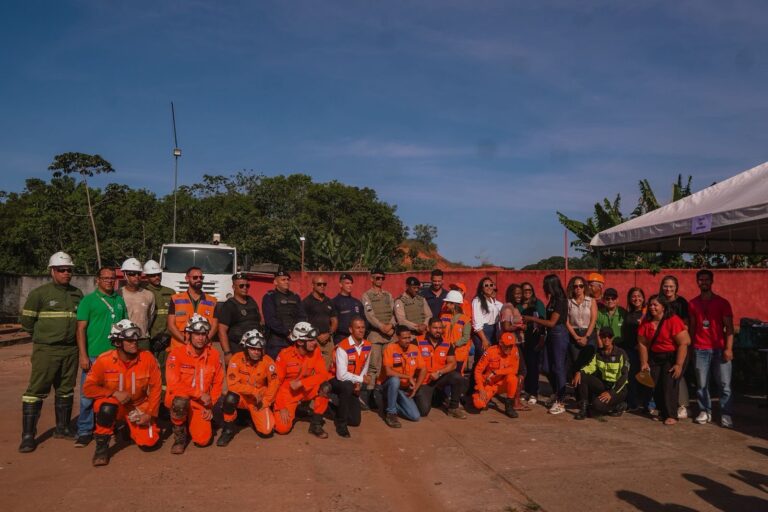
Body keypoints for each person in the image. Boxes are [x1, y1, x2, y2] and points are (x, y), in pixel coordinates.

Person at [18, 251, 83, 453]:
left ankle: (62, 428)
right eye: (62, 270)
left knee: (66, 389)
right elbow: (27, 322)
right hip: (47, 349)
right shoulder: (40, 294)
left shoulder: (76, 294)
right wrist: (44, 337)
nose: (66, 273)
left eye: (69, 270)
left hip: (70, 349)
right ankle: (28, 436)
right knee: (36, 391)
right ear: (52, 271)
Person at [83, 320, 161, 466]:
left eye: (136, 339)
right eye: (130, 340)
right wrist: (113, 393)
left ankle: (128, 428)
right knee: (106, 408)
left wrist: (149, 413)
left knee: (150, 443)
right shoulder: (104, 360)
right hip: (115, 405)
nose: (135, 343)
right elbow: (87, 388)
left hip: (138, 405)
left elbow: (156, 388)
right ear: (118, 343)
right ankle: (101, 449)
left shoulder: (147, 357)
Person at [75, 266, 128, 447]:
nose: (109, 281)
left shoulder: (119, 301)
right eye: (105, 278)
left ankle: (107, 427)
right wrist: (83, 355)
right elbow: (80, 329)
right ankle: (84, 430)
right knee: (87, 395)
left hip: (115, 357)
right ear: (98, 280)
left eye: (112, 278)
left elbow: (124, 327)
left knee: (113, 395)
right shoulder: (88, 301)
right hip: (94, 356)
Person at [165, 314, 224, 453]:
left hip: (201, 403)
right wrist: (199, 394)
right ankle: (179, 436)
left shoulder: (214, 355)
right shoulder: (176, 354)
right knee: (180, 403)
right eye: (196, 334)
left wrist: (210, 406)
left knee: (203, 440)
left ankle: (191, 422)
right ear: (188, 335)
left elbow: (218, 383)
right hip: (179, 398)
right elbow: (173, 384)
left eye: (203, 334)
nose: (200, 338)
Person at [688, 269, 735, 428]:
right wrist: (691, 347)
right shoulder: (693, 303)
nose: (704, 282)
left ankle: (726, 414)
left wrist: (728, 349)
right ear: (697, 282)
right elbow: (693, 327)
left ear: (712, 281)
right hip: (700, 349)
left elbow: (729, 328)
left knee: (724, 385)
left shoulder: (722, 302)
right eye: (701, 280)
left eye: (706, 279)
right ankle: (704, 411)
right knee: (702, 384)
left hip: (719, 349)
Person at [217, 329, 278, 446]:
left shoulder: (268, 361)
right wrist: (253, 391)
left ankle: (249, 418)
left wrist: (266, 401)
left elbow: (274, 384)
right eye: (252, 348)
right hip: (242, 398)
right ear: (245, 347)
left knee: (267, 431)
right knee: (229, 398)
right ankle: (228, 429)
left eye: (259, 349)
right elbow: (233, 384)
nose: (256, 352)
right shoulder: (236, 359)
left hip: (258, 400)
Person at [637, 294, 691, 425]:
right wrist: (644, 362)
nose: (652, 307)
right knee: (654, 383)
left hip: (673, 355)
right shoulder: (646, 321)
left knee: (669, 384)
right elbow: (642, 343)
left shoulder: (673, 320)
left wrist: (678, 364)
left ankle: (671, 414)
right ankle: (662, 412)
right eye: (650, 305)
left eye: (655, 305)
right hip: (656, 356)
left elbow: (684, 342)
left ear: (663, 307)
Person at [273, 322, 332, 438]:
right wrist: (281, 406)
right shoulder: (284, 355)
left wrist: (302, 383)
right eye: (310, 340)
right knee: (282, 429)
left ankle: (316, 424)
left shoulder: (315, 351)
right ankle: (293, 410)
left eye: (314, 339)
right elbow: (275, 383)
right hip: (287, 394)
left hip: (305, 390)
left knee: (325, 387)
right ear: (299, 342)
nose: (314, 342)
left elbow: (323, 374)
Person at [522, 274, 569, 415]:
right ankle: (556, 392)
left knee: (559, 367)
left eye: (545, 284)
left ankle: (561, 401)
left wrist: (531, 318)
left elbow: (552, 322)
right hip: (552, 334)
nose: (543, 287)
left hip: (559, 334)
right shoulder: (553, 299)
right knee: (547, 367)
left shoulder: (560, 300)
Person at [413, 318, 467, 419]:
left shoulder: (447, 343)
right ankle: (434, 396)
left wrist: (439, 372)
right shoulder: (417, 341)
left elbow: (453, 364)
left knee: (457, 377)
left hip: (439, 377)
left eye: (440, 328)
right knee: (423, 411)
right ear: (428, 328)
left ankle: (453, 408)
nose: (438, 330)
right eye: (435, 328)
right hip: (424, 380)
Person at [573, 327, 629, 420]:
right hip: (605, 385)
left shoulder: (621, 354)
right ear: (600, 338)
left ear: (612, 338)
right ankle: (583, 408)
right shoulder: (598, 354)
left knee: (596, 406)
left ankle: (619, 406)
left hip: (618, 389)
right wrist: (580, 372)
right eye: (603, 336)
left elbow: (624, 377)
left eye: (609, 336)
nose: (606, 339)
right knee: (582, 376)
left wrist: (611, 393)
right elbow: (590, 367)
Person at [330, 317, 371, 437]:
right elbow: (341, 375)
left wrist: (359, 384)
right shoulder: (342, 347)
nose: (361, 330)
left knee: (355, 421)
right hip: (335, 380)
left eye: (363, 327)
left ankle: (331, 407)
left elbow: (364, 368)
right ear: (350, 329)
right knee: (347, 386)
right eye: (357, 328)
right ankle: (341, 425)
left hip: (353, 382)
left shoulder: (368, 345)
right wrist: (360, 380)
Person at [361, 268, 396, 408]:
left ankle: (385, 394)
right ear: (372, 279)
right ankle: (369, 396)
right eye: (377, 278)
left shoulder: (388, 295)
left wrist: (391, 325)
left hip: (389, 336)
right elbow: (369, 315)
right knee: (373, 367)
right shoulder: (366, 295)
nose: (379, 280)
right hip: (375, 335)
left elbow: (394, 313)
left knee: (387, 366)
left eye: (382, 278)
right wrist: (382, 327)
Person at [379, 326, 425, 428]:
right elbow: (388, 372)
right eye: (404, 338)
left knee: (415, 416)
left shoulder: (414, 349)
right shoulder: (390, 348)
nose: (408, 340)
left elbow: (423, 369)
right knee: (395, 380)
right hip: (389, 385)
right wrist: (408, 377)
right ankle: (391, 413)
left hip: (404, 389)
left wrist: (416, 388)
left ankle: (390, 403)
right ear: (397, 337)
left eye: (409, 337)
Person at [658, 275, 691, 420]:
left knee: (678, 376)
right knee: (664, 378)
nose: (668, 289)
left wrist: (678, 338)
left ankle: (683, 406)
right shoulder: (658, 301)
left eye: (671, 286)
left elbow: (686, 325)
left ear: (676, 287)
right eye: (666, 286)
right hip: (663, 346)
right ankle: (664, 407)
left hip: (678, 344)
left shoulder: (681, 303)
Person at [167, 267, 218, 350]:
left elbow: (215, 326)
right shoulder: (175, 299)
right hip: (180, 347)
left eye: (201, 277)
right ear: (187, 279)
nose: (199, 279)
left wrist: (204, 341)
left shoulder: (212, 301)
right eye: (195, 277)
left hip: (203, 348)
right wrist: (185, 340)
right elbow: (171, 325)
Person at [216, 272, 262, 365]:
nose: (245, 288)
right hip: (236, 349)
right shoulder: (229, 305)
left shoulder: (251, 301)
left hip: (254, 350)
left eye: (247, 285)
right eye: (241, 286)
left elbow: (259, 321)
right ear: (233, 287)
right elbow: (221, 330)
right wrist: (227, 353)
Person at [472, 332, 521, 418]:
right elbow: (478, 371)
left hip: (502, 384)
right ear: (501, 343)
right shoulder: (491, 351)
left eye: (511, 345)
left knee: (513, 379)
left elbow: (514, 369)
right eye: (507, 345)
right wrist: (481, 388)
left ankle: (509, 406)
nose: (509, 348)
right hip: (489, 384)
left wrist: (497, 372)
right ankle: (485, 397)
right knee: (478, 404)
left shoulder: (514, 350)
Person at [142, 260, 175, 378]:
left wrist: (167, 335)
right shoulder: (143, 292)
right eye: (153, 275)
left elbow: (174, 317)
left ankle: (163, 396)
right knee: (148, 370)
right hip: (149, 338)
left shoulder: (170, 292)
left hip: (167, 338)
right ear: (146, 276)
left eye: (158, 274)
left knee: (165, 369)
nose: (157, 277)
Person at [262, 270, 302, 360]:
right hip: (276, 341)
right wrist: (287, 332)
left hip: (294, 339)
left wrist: (298, 332)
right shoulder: (270, 297)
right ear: (275, 282)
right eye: (283, 280)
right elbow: (270, 320)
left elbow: (302, 316)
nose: (287, 282)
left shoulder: (295, 297)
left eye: (288, 279)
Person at [300, 275, 338, 368]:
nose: (322, 286)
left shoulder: (329, 301)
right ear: (313, 285)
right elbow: (303, 323)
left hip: (328, 340)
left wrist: (328, 334)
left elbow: (334, 321)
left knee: (328, 366)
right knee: (313, 366)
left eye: (324, 284)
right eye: (319, 284)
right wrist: (316, 335)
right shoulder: (306, 302)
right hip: (313, 340)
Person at [118, 258, 156, 350]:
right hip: (124, 339)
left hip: (143, 340)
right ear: (125, 275)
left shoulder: (149, 295)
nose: (136, 276)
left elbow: (150, 318)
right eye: (132, 274)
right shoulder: (118, 294)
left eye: (138, 273)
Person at [565, 276, 598, 380]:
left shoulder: (591, 301)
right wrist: (575, 337)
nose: (578, 288)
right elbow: (566, 321)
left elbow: (593, 319)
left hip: (589, 333)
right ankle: (578, 393)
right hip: (574, 334)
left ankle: (590, 393)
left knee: (589, 363)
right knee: (577, 364)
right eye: (575, 286)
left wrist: (586, 337)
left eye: (580, 286)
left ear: (584, 287)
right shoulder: (569, 302)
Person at [519, 282, 546, 405]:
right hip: (521, 339)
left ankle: (534, 392)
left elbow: (542, 321)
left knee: (533, 366)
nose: (527, 292)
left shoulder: (538, 304)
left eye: (529, 290)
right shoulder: (518, 305)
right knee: (524, 367)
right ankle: (527, 390)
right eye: (525, 290)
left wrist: (542, 338)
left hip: (534, 338)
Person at [621, 287, 647, 411]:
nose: (636, 299)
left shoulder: (647, 313)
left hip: (641, 350)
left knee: (643, 377)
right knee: (630, 377)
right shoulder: (628, 313)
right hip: (629, 350)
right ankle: (632, 403)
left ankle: (646, 403)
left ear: (643, 298)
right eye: (633, 296)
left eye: (639, 296)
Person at [471, 277, 503, 364]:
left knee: (491, 359)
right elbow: (476, 322)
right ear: (482, 288)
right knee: (483, 359)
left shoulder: (493, 301)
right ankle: (476, 377)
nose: (489, 287)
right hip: (483, 332)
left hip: (494, 331)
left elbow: (502, 309)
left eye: (491, 285)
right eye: (486, 285)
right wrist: (484, 339)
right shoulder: (477, 301)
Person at [439, 290, 472, 374]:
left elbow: (466, 338)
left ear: (454, 304)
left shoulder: (465, 319)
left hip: (459, 353)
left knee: (457, 377)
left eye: (448, 303)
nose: (446, 305)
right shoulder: (443, 317)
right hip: (445, 352)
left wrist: (454, 344)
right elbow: (440, 332)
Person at [332, 273, 364, 345]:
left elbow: (364, 320)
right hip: (341, 338)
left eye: (351, 283)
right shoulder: (334, 302)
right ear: (340, 284)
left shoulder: (357, 302)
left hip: (356, 339)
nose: (350, 285)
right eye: (347, 283)